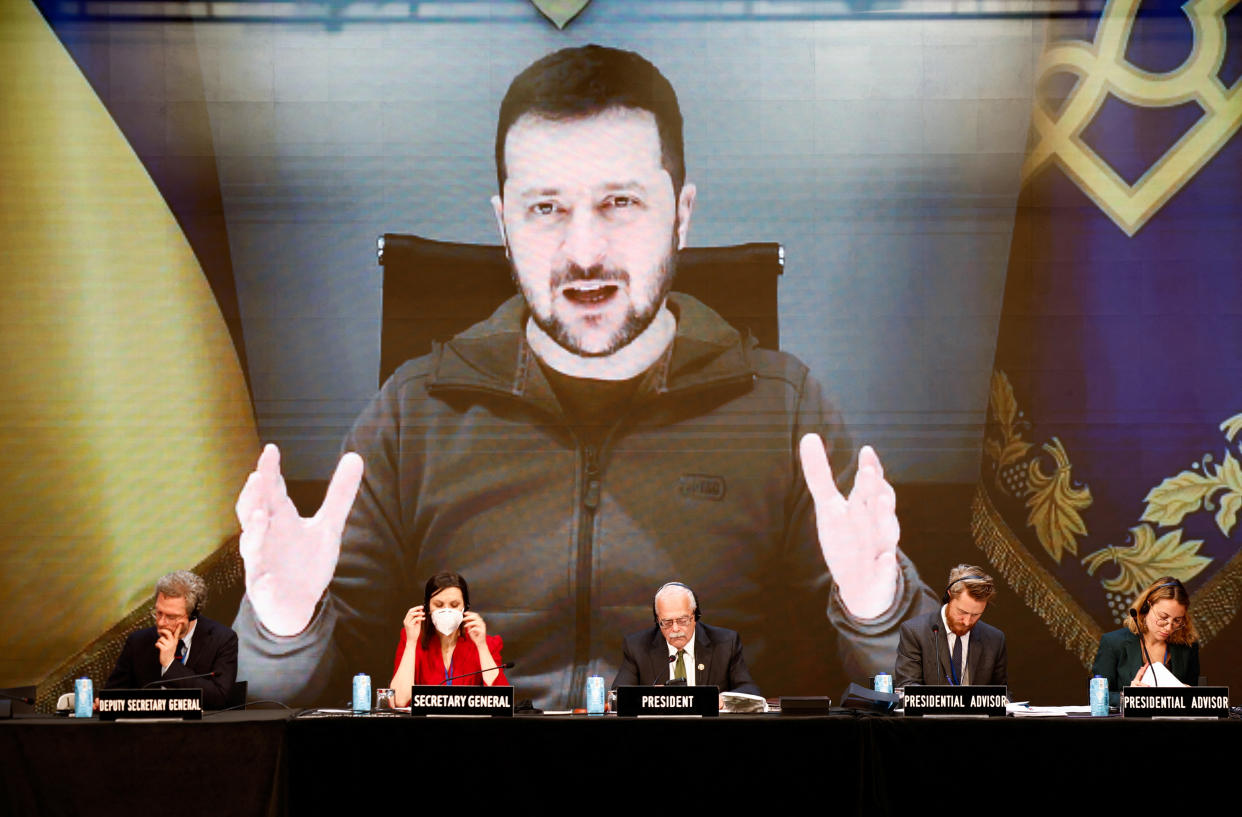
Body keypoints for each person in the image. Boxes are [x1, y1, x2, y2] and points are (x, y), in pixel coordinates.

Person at [234, 44, 937, 709]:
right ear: (504, 225)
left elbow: (926, 685)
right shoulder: (410, 414)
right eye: (546, 208)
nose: (584, 252)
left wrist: (877, 607)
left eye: (620, 202)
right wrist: (284, 628)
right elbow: (278, 702)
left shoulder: (783, 412)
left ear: (682, 216)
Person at [105, 570, 238, 709]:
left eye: (171, 617)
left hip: (199, 728)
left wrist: (170, 665)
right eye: (158, 613)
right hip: (147, 728)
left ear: (193, 615)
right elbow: (113, 695)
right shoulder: (138, 642)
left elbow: (218, 698)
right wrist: (103, 703)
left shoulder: (222, 639)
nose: (161, 622)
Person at [612, 582, 760, 707]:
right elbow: (617, 697)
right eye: (667, 622)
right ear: (657, 620)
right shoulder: (637, 647)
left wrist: (722, 699)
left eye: (682, 621)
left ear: (695, 616)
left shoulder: (725, 644)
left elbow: (750, 691)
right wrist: (650, 697)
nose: (675, 629)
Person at [389, 571, 509, 706]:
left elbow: (501, 701)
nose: (446, 610)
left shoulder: (486, 643)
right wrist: (411, 643)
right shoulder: (412, 639)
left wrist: (481, 646)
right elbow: (399, 700)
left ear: (465, 607)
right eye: (439, 605)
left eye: (454, 605)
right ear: (427, 607)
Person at [1091, 576, 1200, 707]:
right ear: (1146, 606)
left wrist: (1192, 695)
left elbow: (1195, 697)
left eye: (1177, 620)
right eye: (1163, 617)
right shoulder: (1113, 643)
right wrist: (1127, 696)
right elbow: (1099, 696)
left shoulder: (1188, 646)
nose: (1169, 627)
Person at [894, 564, 1006, 687]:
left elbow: (1001, 691)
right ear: (949, 596)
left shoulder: (994, 639)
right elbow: (908, 685)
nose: (967, 621)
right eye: (962, 612)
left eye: (976, 615)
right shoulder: (915, 632)